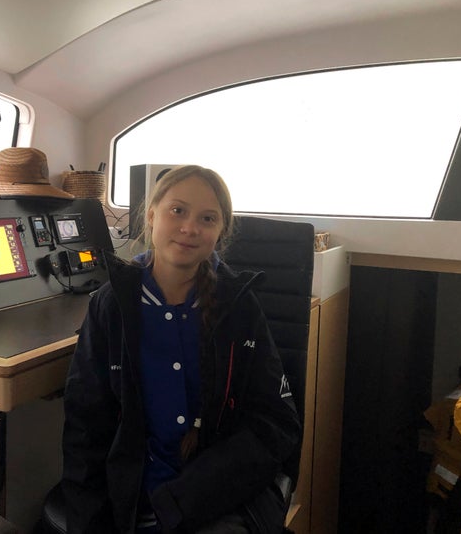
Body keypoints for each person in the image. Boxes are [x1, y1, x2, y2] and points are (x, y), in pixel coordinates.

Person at [61, 165, 301, 533]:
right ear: (152, 215)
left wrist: (187, 498)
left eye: (208, 218)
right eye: (178, 211)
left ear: (220, 232)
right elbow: (85, 428)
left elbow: (276, 423)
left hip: (217, 501)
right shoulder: (111, 306)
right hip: (134, 504)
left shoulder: (239, 307)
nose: (190, 228)